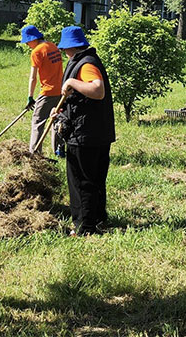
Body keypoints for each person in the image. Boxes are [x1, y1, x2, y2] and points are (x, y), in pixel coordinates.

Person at [54, 26, 115, 235]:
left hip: (86, 134)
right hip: (95, 131)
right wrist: (61, 111)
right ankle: (97, 220)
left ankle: (85, 227)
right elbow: (80, 98)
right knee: (95, 179)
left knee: (82, 180)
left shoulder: (86, 64)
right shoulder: (85, 61)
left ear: (70, 47)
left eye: (64, 48)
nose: (63, 52)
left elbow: (97, 91)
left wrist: (71, 81)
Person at [21, 25, 64, 156]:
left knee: (37, 121)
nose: (27, 44)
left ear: (33, 38)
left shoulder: (37, 52)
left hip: (47, 92)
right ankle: (59, 150)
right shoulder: (53, 46)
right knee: (56, 120)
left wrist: (30, 97)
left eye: (28, 41)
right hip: (61, 91)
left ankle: (34, 154)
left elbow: (33, 77)